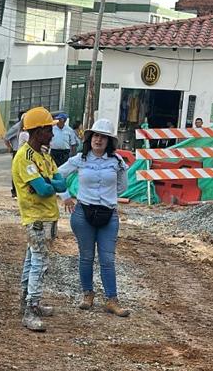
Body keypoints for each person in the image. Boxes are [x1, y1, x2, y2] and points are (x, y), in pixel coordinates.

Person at [58, 118, 131, 317]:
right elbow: (57, 175)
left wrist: (107, 195)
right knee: (86, 256)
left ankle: (111, 300)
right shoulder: (80, 159)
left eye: (103, 137)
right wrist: (65, 197)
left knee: (108, 258)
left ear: (109, 141)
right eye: (96, 136)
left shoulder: (117, 162)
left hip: (108, 213)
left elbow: (123, 186)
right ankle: (87, 295)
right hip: (83, 212)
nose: (98, 140)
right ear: (90, 138)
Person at [12, 107, 67, 332]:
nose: (52, 134)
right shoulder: (24, 158)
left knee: (32, 260)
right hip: (36, 218)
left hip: (47, 217)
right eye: (48, 130)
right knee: (39, 263)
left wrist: (48, 183)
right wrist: (48, 183)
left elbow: (62, 184)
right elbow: (44, 190)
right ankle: (30, 308)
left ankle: (26, 300)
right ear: (37, 131)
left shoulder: (44, 155)